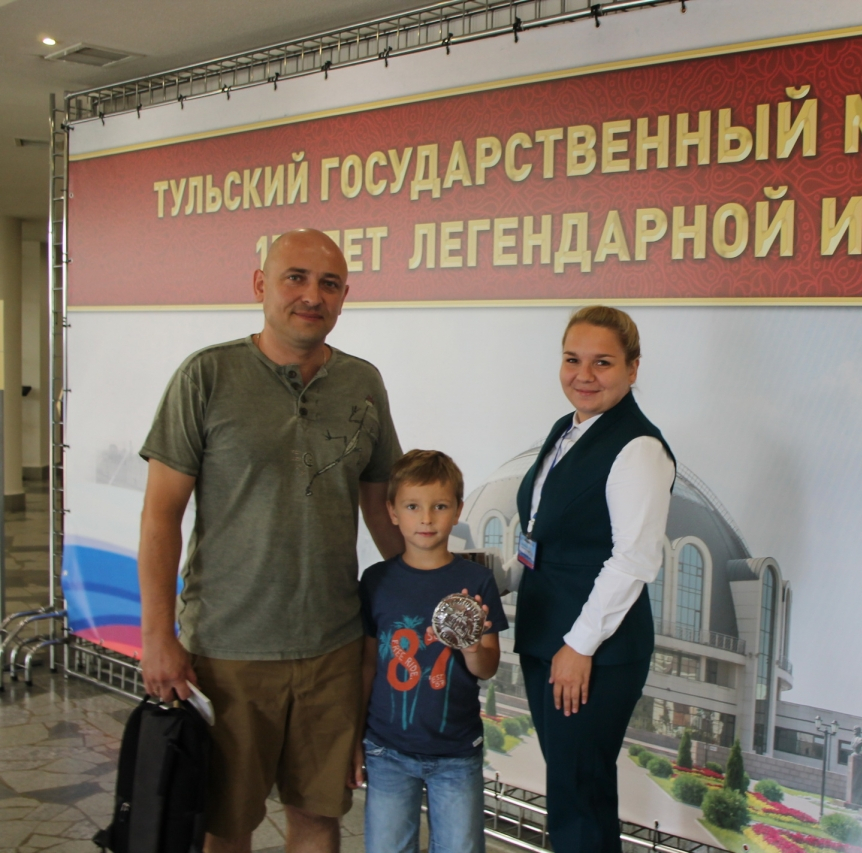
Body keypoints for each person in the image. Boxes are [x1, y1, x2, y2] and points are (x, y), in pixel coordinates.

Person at [137, 229, 404, 853]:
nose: (313, 296)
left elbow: (381, 507)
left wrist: (437, 588)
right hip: (227, 651)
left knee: (318, 818)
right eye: (296, 278)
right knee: (226, 826)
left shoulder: (363, 383)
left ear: (344, 297)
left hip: (333, 647)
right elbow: (160, 516)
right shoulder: (207, 376)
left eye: (329, 284)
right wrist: (156, 637)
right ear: (261, 285)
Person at [514, 305, 676, 853]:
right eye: (572, 359)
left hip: (591, 651)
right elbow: (546, 532)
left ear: (633, 368)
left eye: (602, 362)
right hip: (548, 635)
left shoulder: (638, 448)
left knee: (579, 798)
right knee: (573, 790)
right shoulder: (569, 429)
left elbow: (634, 560)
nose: (583, 375)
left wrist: (579, 646)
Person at [350, 449, 506, 853]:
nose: (426, 519)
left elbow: (487, 667)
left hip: (456, 753)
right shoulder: (376, 581)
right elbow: (367, 665)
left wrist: (472, 648)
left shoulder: (477, 581)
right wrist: (354, 738)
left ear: (457, 511)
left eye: (439, 506)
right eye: (412, 506)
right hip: (386, 750)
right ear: (392, 512)